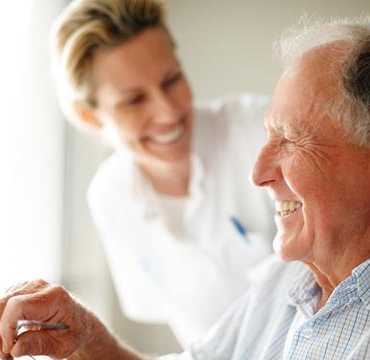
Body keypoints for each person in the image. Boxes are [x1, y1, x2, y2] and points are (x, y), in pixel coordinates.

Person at [0, 17, 370, 359]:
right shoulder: (291, 278)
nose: (257, 174)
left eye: (289, 139)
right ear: (90, 117)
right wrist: (81, 335)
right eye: (134, 99)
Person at [50, 0, 276, 345]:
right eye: (134, 100)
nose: (168, 112)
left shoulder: (260, 132)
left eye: (171, 79)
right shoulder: (110, 197)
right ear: (90, 117)